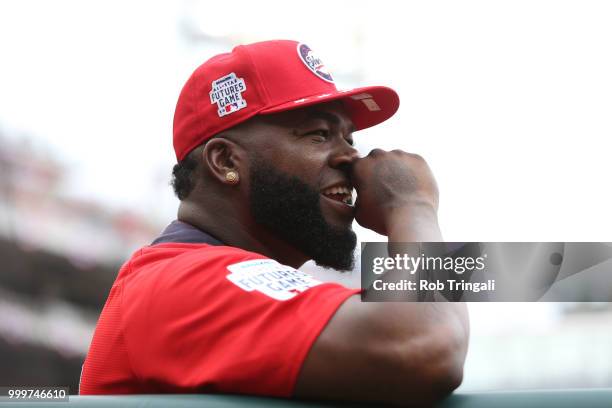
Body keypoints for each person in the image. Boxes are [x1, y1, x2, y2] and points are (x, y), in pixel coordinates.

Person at [79, 39, 469, 406]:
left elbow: (431, 319)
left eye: (348, 137)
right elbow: (422, 344)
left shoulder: (212, 276)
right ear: (226, 162)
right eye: (319, 135)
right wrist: (412, 207)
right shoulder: (178, 281)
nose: (351, 157)